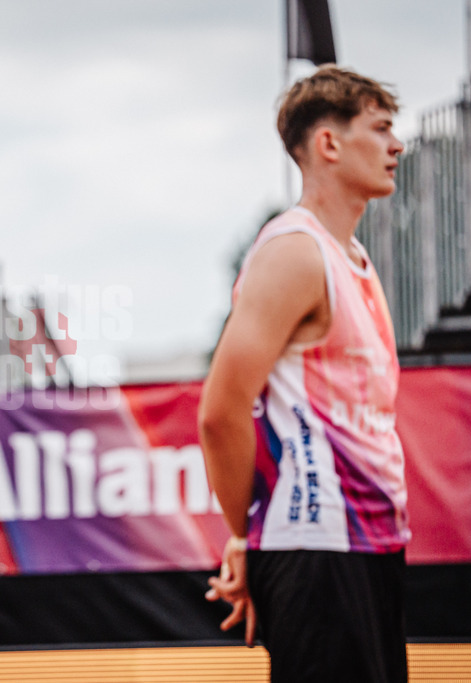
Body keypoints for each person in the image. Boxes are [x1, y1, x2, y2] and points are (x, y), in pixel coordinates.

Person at [197, 66, 410, 682]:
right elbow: (220, 411)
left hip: (371, 543)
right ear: (329, 144)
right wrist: (244, 536)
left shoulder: (355, 260)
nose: (397, 145)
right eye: (381, 128)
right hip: (317, 548)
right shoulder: (294, 252)